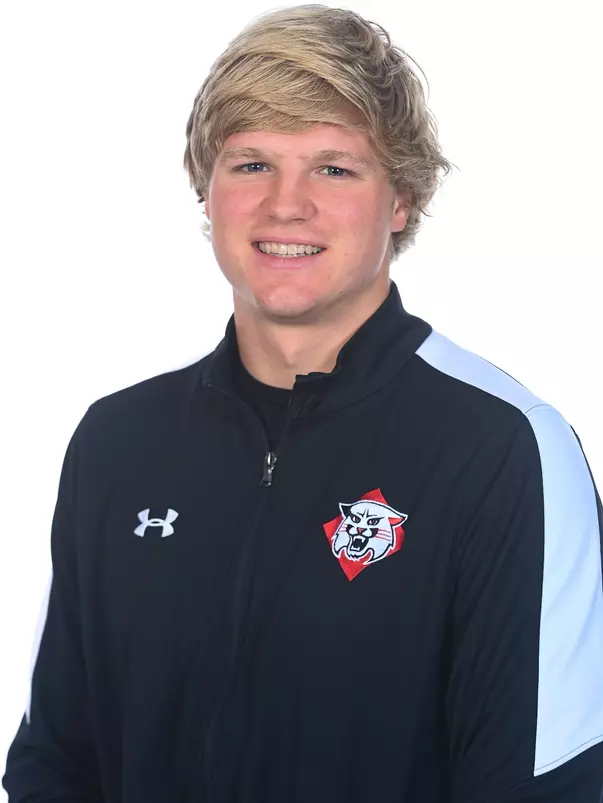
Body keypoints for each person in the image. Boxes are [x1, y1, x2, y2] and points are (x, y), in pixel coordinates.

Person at [3, 4, 603, 802]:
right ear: (206, 191)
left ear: (402, 201)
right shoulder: (118, 441)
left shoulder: (501, 449)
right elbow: (57, 760)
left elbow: (546, 785)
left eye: (334, 167)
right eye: (251, 163)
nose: (286, 204)